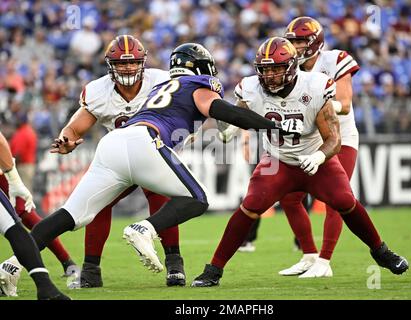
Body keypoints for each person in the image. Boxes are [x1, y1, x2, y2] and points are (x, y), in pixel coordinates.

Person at [7, 43, 302, 287]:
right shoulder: (197, 82)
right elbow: (220, 109)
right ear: (202, 68)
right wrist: (271, 127)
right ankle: (144, 229)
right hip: (144, 141)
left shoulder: (160, 85)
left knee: (70, 215)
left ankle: (9, 266)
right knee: (196, 199)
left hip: (112, 144)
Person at [191, 37, 408, 288]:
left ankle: (380, 251)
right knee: (250, 206)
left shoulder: (315, 87)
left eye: (276, 68)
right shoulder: (251, 88)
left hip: (316, 160)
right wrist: (230, 129)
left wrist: (317, 157)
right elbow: (238, 112)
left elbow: (334, 139)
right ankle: (214, 269)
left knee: (345, 201)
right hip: (279, 161)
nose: (269, 75)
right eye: (265, 69)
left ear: (292, 67)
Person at [47, 35, 186, 288]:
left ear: (143, 62)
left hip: (154, 154)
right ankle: (91, 269)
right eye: (121, 64)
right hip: (120, 159)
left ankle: (175, 264)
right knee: (99, 203)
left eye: (133, 62)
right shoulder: (99, 91)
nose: (128, 68)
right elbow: (75, 128)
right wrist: (65, 140)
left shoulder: (161, 81)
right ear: (110, 65)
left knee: (160, 198)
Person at [277, 16, 361, 277]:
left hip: (339, 138)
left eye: (300, 41)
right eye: (292, 41)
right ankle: (309, 255)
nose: (296, 47)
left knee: (337, 199)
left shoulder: (334, 60)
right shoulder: (290, 67)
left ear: (315, 42)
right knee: (289, 198)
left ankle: (325, 262)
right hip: (303, 141)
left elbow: (344, 104)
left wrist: (318, 105)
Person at [0, 131, 69, 300]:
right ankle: (46, 286)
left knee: (23, 215)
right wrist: (14, 180)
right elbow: (1, 143)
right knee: (16, 230)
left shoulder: (25, 133)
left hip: (18, 166)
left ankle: (66, 264)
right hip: (11, 168)